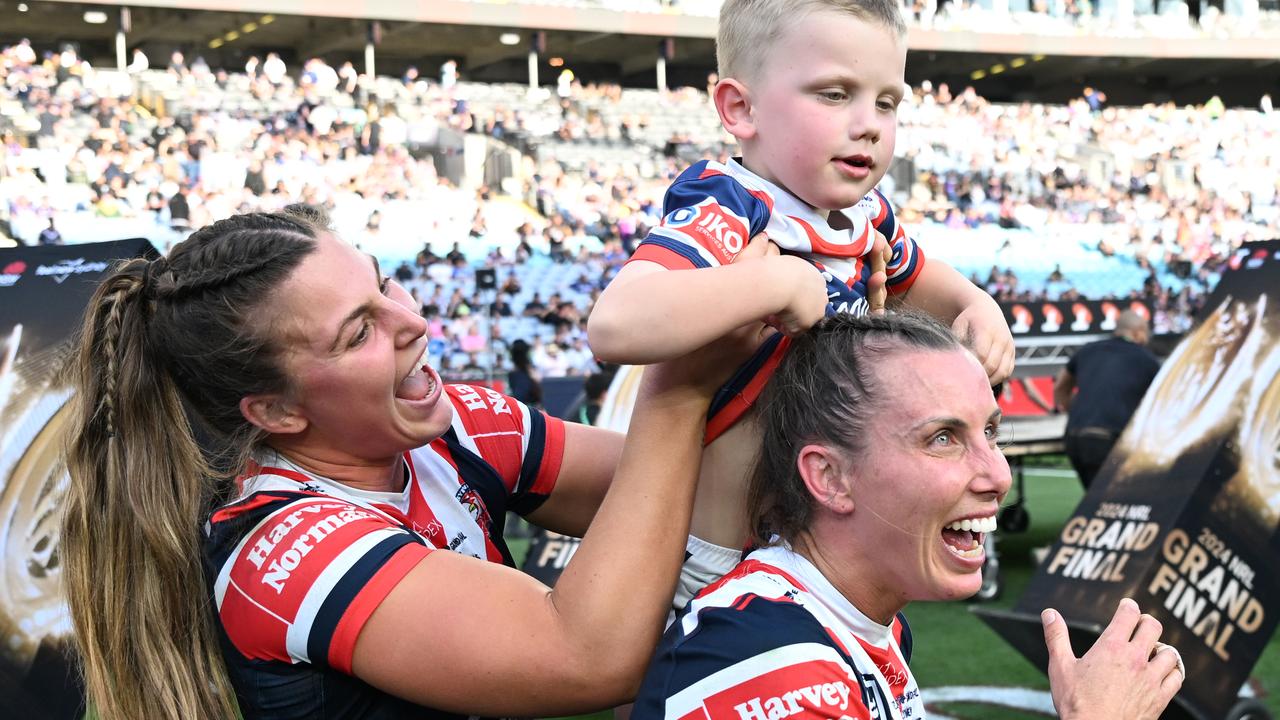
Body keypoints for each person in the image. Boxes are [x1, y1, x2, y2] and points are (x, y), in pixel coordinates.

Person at [61, 206, 759, 719]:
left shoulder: (448, 430)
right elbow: (589, 659)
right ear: (276, 414)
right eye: (359, 331)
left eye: (384, 286)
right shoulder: (282, 549)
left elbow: (699, 487)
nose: (415, 323)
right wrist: (678, 388)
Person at [588, 0, 1013, 593]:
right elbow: (616, 324)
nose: (868, 122)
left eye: (886, 102)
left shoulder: (866, 217)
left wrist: (978, 307)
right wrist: (770, 283)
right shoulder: (730, 206)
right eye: (835, 94)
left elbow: (925, 278)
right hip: (720, 563)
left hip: (824, 551)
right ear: (741, 108)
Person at [632, 313, 1184, 720]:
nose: (999, 476)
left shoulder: (864, 621)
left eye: (991, 432)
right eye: (943, 438)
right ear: (829, 477)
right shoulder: (771, 661)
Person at [1054, 309, 1161, 488]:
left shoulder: (1087, 350)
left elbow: (1060, 387)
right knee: (1116, 499)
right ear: (1138, 332)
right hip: (1109, 439)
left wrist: (1076, 412)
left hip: (1075, 436)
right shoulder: (1147, 360)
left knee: (1095, 498)